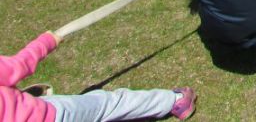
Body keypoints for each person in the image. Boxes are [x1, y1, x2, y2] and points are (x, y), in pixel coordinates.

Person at [0, 30, 196, 120]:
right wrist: (47, 41)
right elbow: (19, 65)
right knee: (109, 103)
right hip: (47, 116)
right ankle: (175, 101)